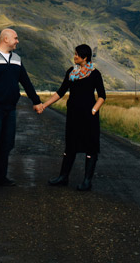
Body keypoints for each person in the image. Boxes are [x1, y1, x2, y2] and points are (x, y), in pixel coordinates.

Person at [0, 28, 43, 189]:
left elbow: (26, 82)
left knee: (7, 143)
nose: (17, 41)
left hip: (10, 108)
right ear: (5, 39)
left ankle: (1, 177)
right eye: (15, 38)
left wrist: (36, 101)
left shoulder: (17, 59)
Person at [38, 44, 106, 191]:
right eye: (74, 54)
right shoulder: (71, 72)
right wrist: (45, 105)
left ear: (85, 57)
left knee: (91, 146)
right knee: (70, 145)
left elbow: (102, 96)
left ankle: (87, 181)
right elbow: (60, 92)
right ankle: (63, 177)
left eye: (77, 54)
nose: (74, 57)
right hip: (73, 115)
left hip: (89, 116)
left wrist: (93, 110)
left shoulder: (95, 74)